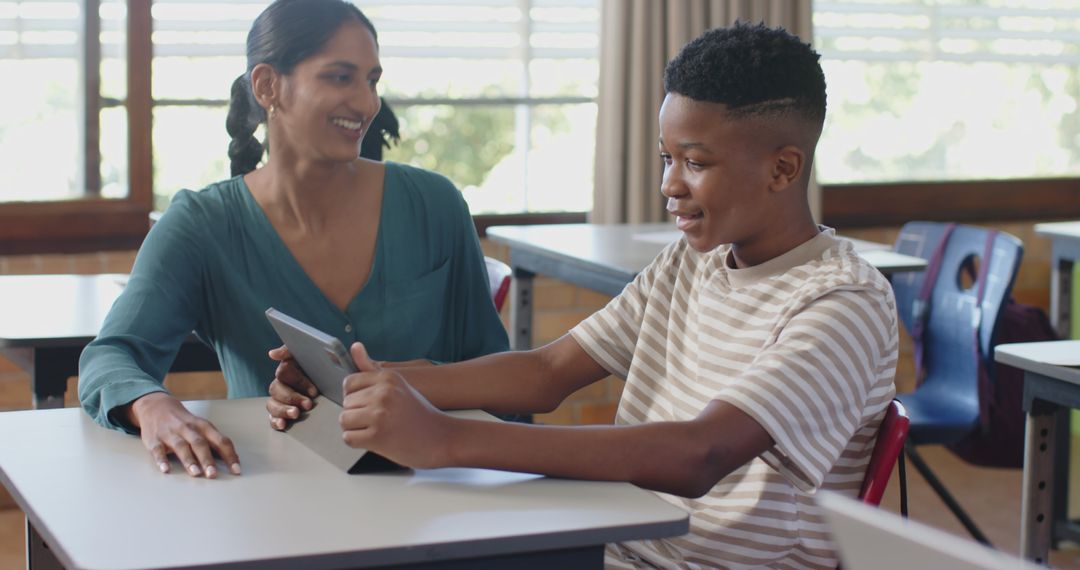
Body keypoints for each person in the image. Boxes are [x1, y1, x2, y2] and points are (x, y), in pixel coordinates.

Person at [270, 21, 900, 569]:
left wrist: (445, 441)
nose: (669, 185)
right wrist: (367, 382)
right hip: (614, 540)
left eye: (696, 163)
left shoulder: (843, 303)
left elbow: (699, 453)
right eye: (665, 157)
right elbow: (546, 372)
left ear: (783, 169)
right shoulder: (690, 263)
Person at [78, 0, 508, 480]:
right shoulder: (202, 224)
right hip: (275, 503)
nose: (367, 103)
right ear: (267, 86)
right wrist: (155, 407)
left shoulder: (435, 204)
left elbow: (500, 375)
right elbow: (112, 355)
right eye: (340, 77)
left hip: (439, 497)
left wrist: (417, 380)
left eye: (371, 81)